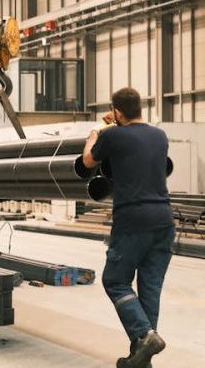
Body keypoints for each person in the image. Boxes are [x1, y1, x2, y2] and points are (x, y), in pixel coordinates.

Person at [83, 87, 175, 368]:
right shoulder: (159, 136)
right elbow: (135, 149)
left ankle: (146, 335)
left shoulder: (111, 135)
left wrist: (95, 133)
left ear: (118, 112)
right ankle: (141, 359)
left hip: (133, 220)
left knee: (115, 281)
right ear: (140, 108)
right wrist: (117, 123)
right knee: (149, 290)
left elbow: (88, 161)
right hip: (163, 221)